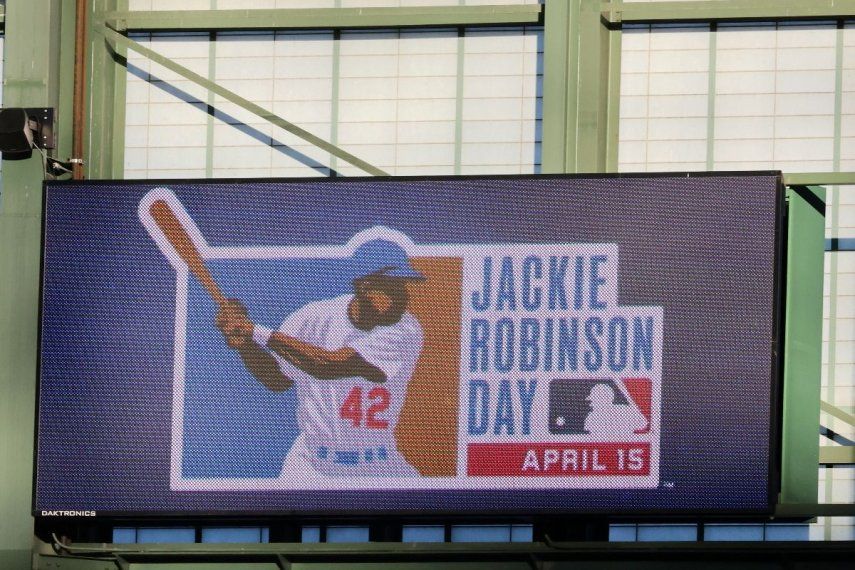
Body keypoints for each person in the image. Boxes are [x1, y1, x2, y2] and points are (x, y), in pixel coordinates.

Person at [215, 239, 425, 477]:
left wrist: (253, 330)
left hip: (380, 463)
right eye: (392, 288)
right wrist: (245, 344)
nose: (402, 297)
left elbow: (327, 366)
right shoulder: (311, 318)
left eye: (403, 286)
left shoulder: (405, 330)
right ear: (363, 286)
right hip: (311, 464)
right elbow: (277, 380)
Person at [583, 383, 648, 436]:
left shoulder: (625, 411)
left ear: (602, 400)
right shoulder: (592, 417)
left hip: (626, 445)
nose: (590, 402)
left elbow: (643, 423)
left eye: (593, 399)